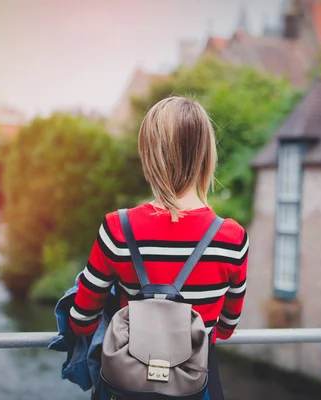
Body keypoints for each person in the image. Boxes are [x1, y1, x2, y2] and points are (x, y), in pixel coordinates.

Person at [69, 96, 249, 400]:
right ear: (206, 155)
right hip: (194, 387)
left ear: (150, 155)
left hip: (127, 387)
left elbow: (81, 320)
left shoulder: (118, 228)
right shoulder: (231, 238)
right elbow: (226, 327)